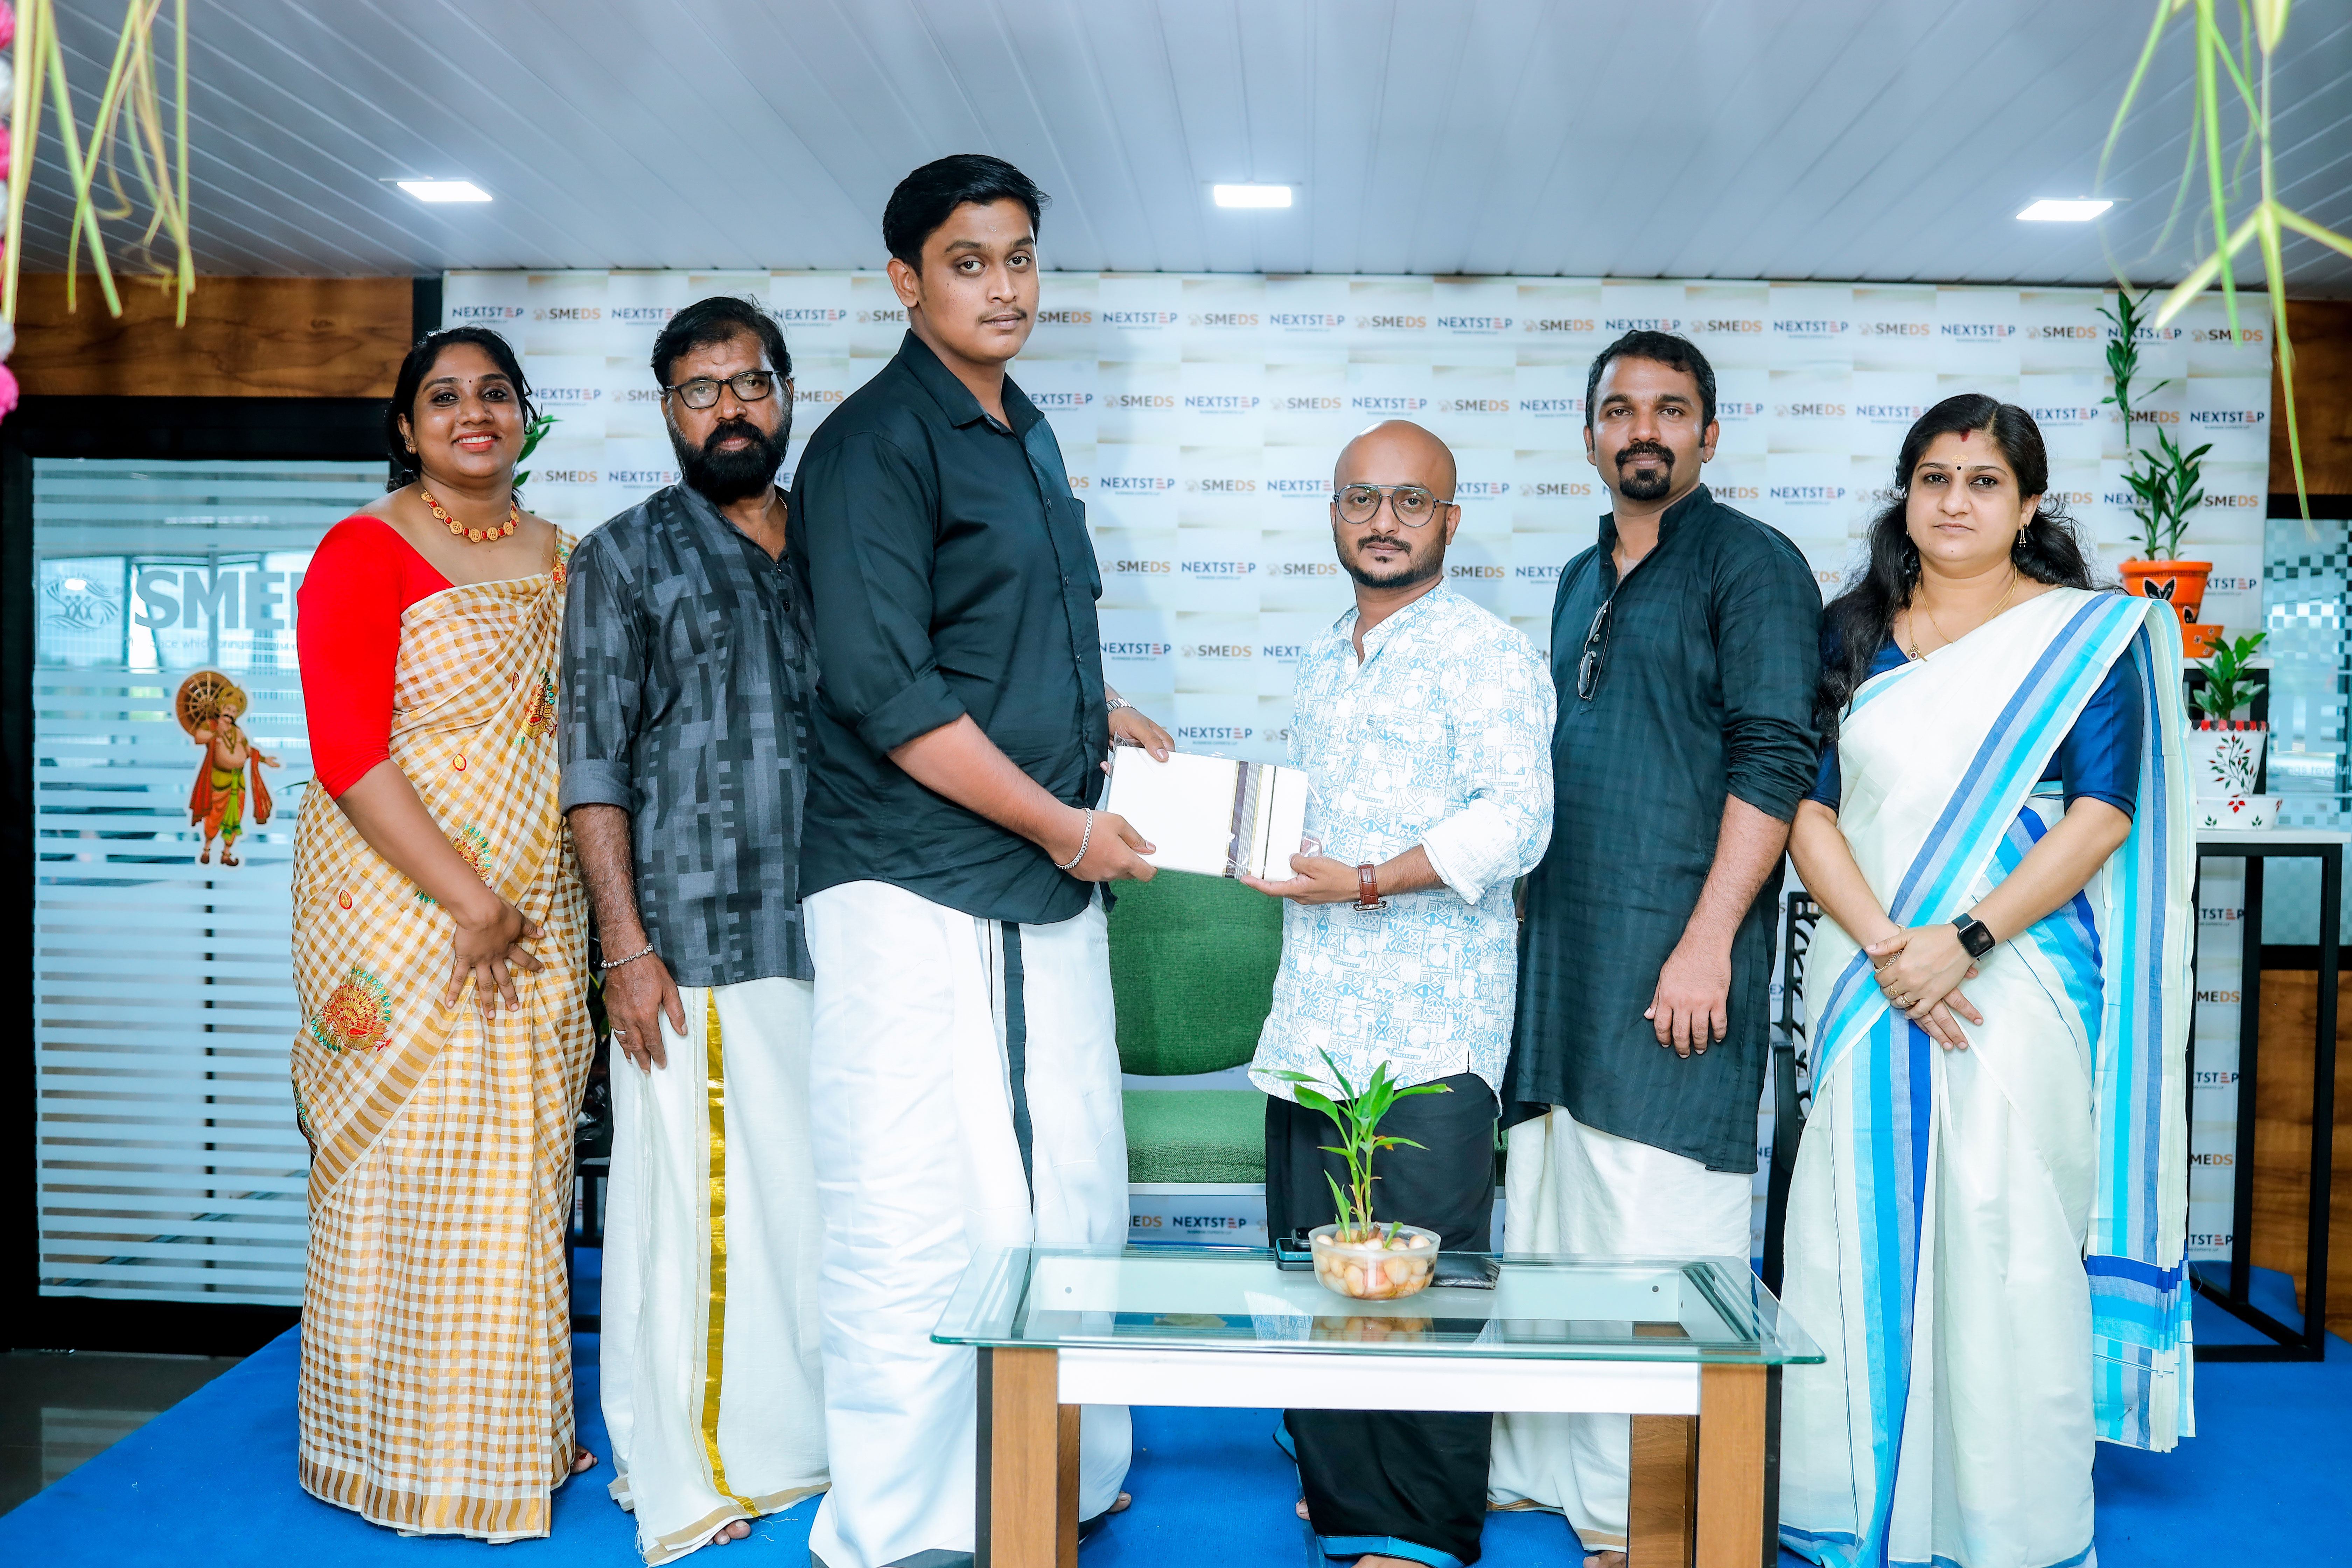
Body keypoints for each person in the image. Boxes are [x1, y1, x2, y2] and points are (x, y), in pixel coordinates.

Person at [793, 153, 1171, 1568]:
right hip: (920, 882)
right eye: (969, 262)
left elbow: (1001, 632)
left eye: (1019, 257)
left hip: (1034, 884)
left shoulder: (1025, 427)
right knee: (926, 1214)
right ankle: (912, 1522)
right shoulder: (872, 444)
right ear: (906, 281)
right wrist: (1066, 825)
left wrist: (1098, 709)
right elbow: (886, 691)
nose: (1003, 287)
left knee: (1067, 1194)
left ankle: (1051, 1478)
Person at [1778, 395, 2192, 1568]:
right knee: (1853, 1230)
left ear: (2028, 504)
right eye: (1935, 478)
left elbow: (2102, 816)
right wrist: (1890, 948)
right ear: (1905, 494)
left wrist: (1963, 939)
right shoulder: (1847, 632)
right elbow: (1805, 806)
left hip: (2018, 976)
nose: (1955, 502)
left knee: (2004, 1230)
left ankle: (2007, 1529)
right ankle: (1845, 1510)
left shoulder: (2084, 639)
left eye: (1984, 482)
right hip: (1868, 977)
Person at [1492, 330, 1821, 1568]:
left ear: (1708, 435)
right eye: (1621, 409)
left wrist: (1708, 942)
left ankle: (1651, 1511)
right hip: (1565, 957)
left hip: (1679, 953)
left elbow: (1775, 759)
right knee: (1557, 1212)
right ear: (1590, 436)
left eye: (1670, 410)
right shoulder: (1580, 575)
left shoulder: (1752, 564)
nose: (1644, 429)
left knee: (1655, 1224)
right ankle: (1550, 1470)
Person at [289, 326, 594, 1541]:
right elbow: (346, 752)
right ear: (408, 429)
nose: (475, 413)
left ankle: (507, 1436)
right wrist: (471, 904)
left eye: (496, 393)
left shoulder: (565, 558)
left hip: (539, 909)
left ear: (524, 417)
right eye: (445, 397)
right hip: (401, 918)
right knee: (404, 1174)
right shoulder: (362, 550)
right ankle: (390, 1451)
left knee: (519, 1180)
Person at [1241, 420, 1555, 1568]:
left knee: (1422, 1282)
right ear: (1334, 513)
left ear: (1449, 520)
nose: (1383, 522)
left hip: (1429, 1031)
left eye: (1410, 502)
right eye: (1361, 500)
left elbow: (1518, 821)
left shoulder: (1488, 654)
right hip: (1314, 1024)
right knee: (1319, 1268)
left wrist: (1368, 879)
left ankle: (1415, 1530)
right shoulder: (1325, 658)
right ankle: (1343, 1495)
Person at [560, 295, 828, 1563]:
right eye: (700, 390)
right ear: (667, 410)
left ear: (786, 391)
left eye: (750, 382)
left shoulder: (841, 538)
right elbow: (592, 765)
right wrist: (625, 947)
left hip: (849, 928)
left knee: (814, 1207)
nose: (730, 409)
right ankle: (699, 1459)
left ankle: (804, 1433)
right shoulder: (622, 555)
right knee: (701, 1209)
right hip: (693, 939)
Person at [184, 674, 277, 866]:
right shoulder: (212, 725)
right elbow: (199, 737)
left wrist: (265, 760)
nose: (230, 713)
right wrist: (215, 733)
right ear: (221, 708)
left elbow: (248, 750)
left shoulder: (238, 732)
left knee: (235, 817)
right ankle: (207, 849)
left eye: (234, 711)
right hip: (218, 780)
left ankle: (227, 853)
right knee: (214, 816)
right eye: (228, 709)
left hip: (238, 781)